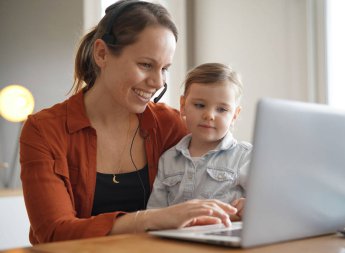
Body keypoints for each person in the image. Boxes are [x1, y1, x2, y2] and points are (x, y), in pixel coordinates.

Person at [19, 1, 237, 245]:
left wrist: (243, 202)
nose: (158, 82)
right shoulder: (44, 130)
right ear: (102, 54)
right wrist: (152, 219)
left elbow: (224, 162)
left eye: (165, 68)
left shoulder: (169, 125)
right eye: (146, 65)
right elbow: (54, 232)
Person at [147, 63, 252, 219]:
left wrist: (250, 205)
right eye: (200, 105)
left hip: (222, 235)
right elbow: (153, 215)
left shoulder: (244, 157)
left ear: (235, 115)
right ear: (182, 106)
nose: (209, 115)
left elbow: (269, 201)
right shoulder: (168, 159)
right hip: (175, 239)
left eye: (221, 109)